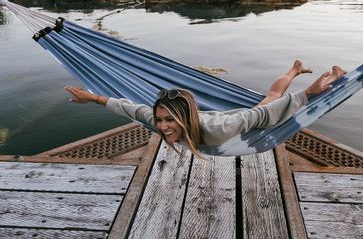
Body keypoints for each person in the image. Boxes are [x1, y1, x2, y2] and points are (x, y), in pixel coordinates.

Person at [64, 60, 346, 156]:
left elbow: (263, 115)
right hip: (218, 119)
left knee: (272, 97)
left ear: (184, 118)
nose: (162, 127)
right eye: (160, 120)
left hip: (248, 123)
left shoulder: (220, 128)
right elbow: (129, 107)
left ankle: (327, 75)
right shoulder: (160, 121)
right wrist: (93, 98)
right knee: (271, 93)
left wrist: (308, 94)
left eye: (168, 121)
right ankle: (295, 68)